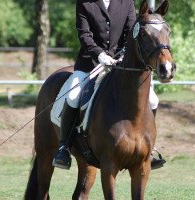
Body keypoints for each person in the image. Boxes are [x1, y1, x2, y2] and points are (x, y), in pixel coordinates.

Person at [52, 0, 165, 170]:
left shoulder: (126, 2)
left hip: (120, 64)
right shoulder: (85, 3)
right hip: (90, 64)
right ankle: (64, 147)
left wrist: (123, 55)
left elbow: (131, 32)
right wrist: (100, 55)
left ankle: (148, 148)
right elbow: (84, 35)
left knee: (153, 99)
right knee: (74, 96)